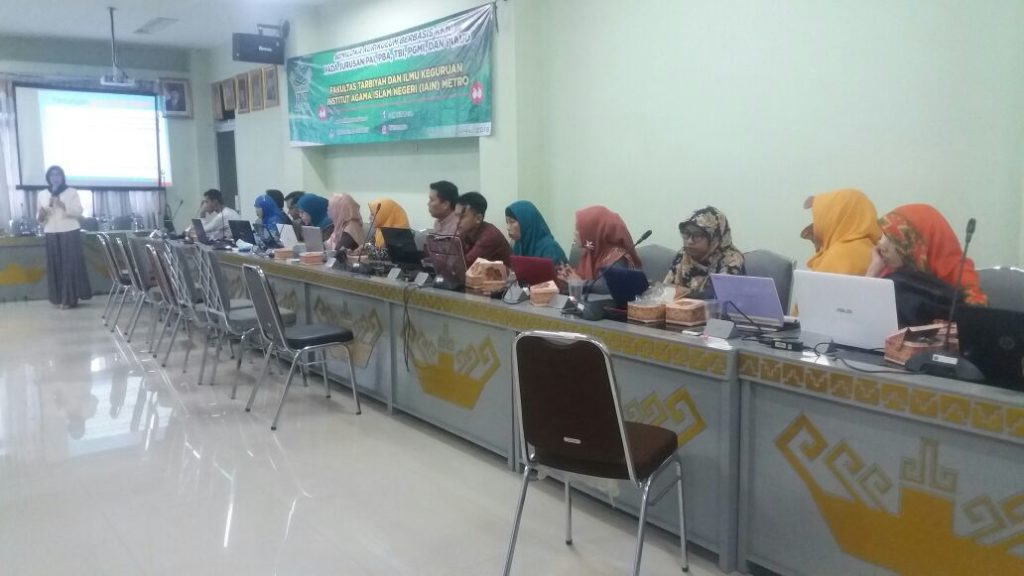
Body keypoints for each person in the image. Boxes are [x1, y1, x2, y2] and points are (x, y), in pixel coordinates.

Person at [868, 204, 987, 325]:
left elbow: (977, 320)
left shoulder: (961, 274)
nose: (883, 248)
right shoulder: (893, 274)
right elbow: (862, 316)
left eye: (894, 240)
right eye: (884, 238)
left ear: (916, 244)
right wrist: (873, 270)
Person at [37, 165, 91, 308]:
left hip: (69, 231)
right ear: (48, 178)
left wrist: (63, 205)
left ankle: (70, 299)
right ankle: (58, 298)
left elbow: (78, 211)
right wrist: (41, 215)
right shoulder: (43, 194)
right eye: (52, 175)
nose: (55, 178)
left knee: (69, 265)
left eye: (58, 174)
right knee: (55, 266)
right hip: (51, 231)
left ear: (62, 177)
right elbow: (40, 216)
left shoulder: (71, 192)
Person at [665, 206, 745, 299]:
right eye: (686, 233)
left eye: (697, 235)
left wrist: (684, 293)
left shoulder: (732, 259)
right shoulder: (684, 253)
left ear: (714, 238)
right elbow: (666, 290)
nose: (690, 241)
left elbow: (721, 297)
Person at [804, 188, 882, 275]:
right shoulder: (874, 250)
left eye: (820, 218)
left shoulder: (839, 256)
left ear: (834, 218)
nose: (816, 227)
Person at [456, 192, 511, 266]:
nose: (457, 221)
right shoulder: (465, 232)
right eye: (456, 216)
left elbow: (465, 264)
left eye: (461, 217)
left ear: (478, 218)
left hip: (503, 273)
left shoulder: (490, 236)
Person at [504, 200, 567, 264]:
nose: (508, 228)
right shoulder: (519, 244)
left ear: (526, 222)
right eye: (507, 222)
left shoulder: (550, 249)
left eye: (512, 222)